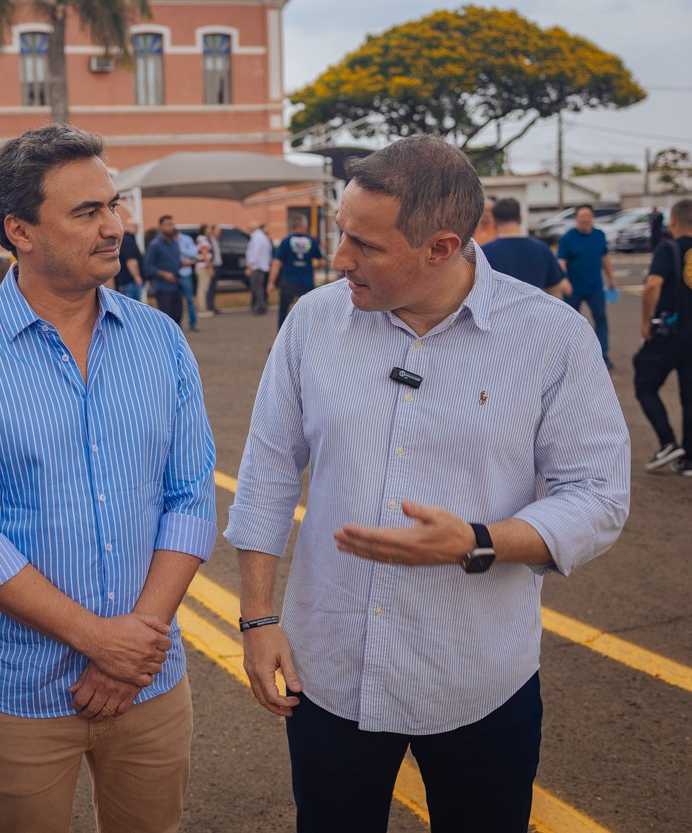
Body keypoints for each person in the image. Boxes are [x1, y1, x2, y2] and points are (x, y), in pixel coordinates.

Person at [226, 135, 630, 833]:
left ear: (442, 247)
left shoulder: (552, 338)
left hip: (477, 679)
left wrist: (480, 540)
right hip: (330, 673)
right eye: (341, 232)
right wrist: (258, 619)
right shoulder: (313, 321)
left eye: (366, 245)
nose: (339, 257)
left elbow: (597, 495)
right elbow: (267, 470)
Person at [0, 122, 217, 833]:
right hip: (24, 692)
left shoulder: (160, 340)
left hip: (149, 681)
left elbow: (190, 496)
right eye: (87, 211)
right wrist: (98, 640)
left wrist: (133, 644)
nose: (114, 226)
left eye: (112, 205)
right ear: (20, 230)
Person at [634, 198, 692, 475]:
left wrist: (646, 323)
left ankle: (667, 442)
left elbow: (653, 285)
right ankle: (689, 459)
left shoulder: (667, 248)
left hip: (671, 333)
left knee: (644, 382)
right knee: (689, 396)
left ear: (673, 221)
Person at [558, 205, 618, 367]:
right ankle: (568, 357)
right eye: (582, 216)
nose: (585, 219)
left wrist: (611, 278)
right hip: (573, 289)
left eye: (588, 216)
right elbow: (561, 261)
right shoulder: (567, 238)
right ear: (576, 219)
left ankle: (603, 355)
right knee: (569, 323)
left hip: (595, 287)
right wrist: (563, 280)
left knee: (601, 319)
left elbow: (605, 257)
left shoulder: (599, 235)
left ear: (592, 218)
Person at [481, 197, 569, 296]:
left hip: (499, 305)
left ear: (493, 221)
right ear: (521, 219)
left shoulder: (483, 252)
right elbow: (556, 290)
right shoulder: (541, 249)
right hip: (535, 305)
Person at [269, 215, 324, 327]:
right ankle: (308, 335)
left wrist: (271, 282)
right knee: (308, 312)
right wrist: (313, 267)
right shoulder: (312, 241)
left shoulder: (285, 241)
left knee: (283, 311)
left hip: (288, 281)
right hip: (306, 282)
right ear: (304, 226)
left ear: (292, 227)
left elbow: (276, 263)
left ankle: (282, 336)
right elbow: (322, 261)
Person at [144, 214, 187, 323]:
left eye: (172, 224)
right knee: (167, 320)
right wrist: (164, 274)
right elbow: (148, 266)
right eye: (167, 225)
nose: (170, 227)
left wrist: (182, 263)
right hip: (162, 287)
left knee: (178, 317)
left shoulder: (175, 244)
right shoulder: (155, 245)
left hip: (176, 285)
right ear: (160, 227)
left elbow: (174, 262)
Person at [245, 220, 274, 314]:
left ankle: (260, 307)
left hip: (257, 267)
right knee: (259, 288)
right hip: (262, 266)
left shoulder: (257, 237)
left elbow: (255, 253)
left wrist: (250, 266)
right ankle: (261, 306)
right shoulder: (262, 237)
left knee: (257, 288)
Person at [115, 217, 145, 302]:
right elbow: (131, 261)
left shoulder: (126, 239)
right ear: (128, 226)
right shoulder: (128, 240)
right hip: (130, 281)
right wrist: (137, 277)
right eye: (134, 226)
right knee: (132, 305)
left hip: (126, 280)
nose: (136, 229)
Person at [177, 226, 200, 331]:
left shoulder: (186, 239)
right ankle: (177, 324)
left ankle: (193, 322)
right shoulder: (166, 241)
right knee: (176, 301)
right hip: (174, 274)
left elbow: (194, 253)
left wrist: (182, 250)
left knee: (189, 299)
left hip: (185, 273)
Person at [195, 224, 218, 319]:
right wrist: (210, 267)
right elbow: (205, 254)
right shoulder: (203, 240)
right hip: (203, 267)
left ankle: (203, 308)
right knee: (203, 289)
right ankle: (202, 309)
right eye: (208, 228)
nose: (210, 230)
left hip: (202, 267)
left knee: (203, 288)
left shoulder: (202, 239)